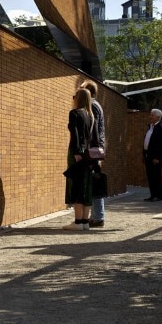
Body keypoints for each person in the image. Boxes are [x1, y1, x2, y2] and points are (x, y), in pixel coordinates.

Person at [63, 87, 94, 231]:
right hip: (88, 154)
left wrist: (76, 152)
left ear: (79, 98)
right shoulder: (91, 115)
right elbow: (93, 138)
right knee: (86, 186)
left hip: (77, 152)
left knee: (76, 185)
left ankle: (77, 222)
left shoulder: (74, 113)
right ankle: (85, 221)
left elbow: (75, 134)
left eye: (75, 96)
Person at [81, 81, 106, 227]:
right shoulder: (96, 106)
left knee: (94, 182)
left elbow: (94, 130)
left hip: (93, 150)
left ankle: (98, 217)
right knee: (95, 181)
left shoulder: (93, 106)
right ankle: (97, 215)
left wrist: (92, 150)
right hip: (96, 149)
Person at [143, 108, 162, 201]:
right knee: (150, 176)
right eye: (151, 115)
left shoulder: (161, 128)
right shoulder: (150, 127)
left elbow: (161, 145)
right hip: (147, 155)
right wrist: (143, 153)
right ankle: (152, 195)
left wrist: (157, 157)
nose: (150, 117)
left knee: (156, 176)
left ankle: (158, 196)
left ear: (158, 117)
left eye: (152, 115)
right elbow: (146, 141)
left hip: (155, 157)